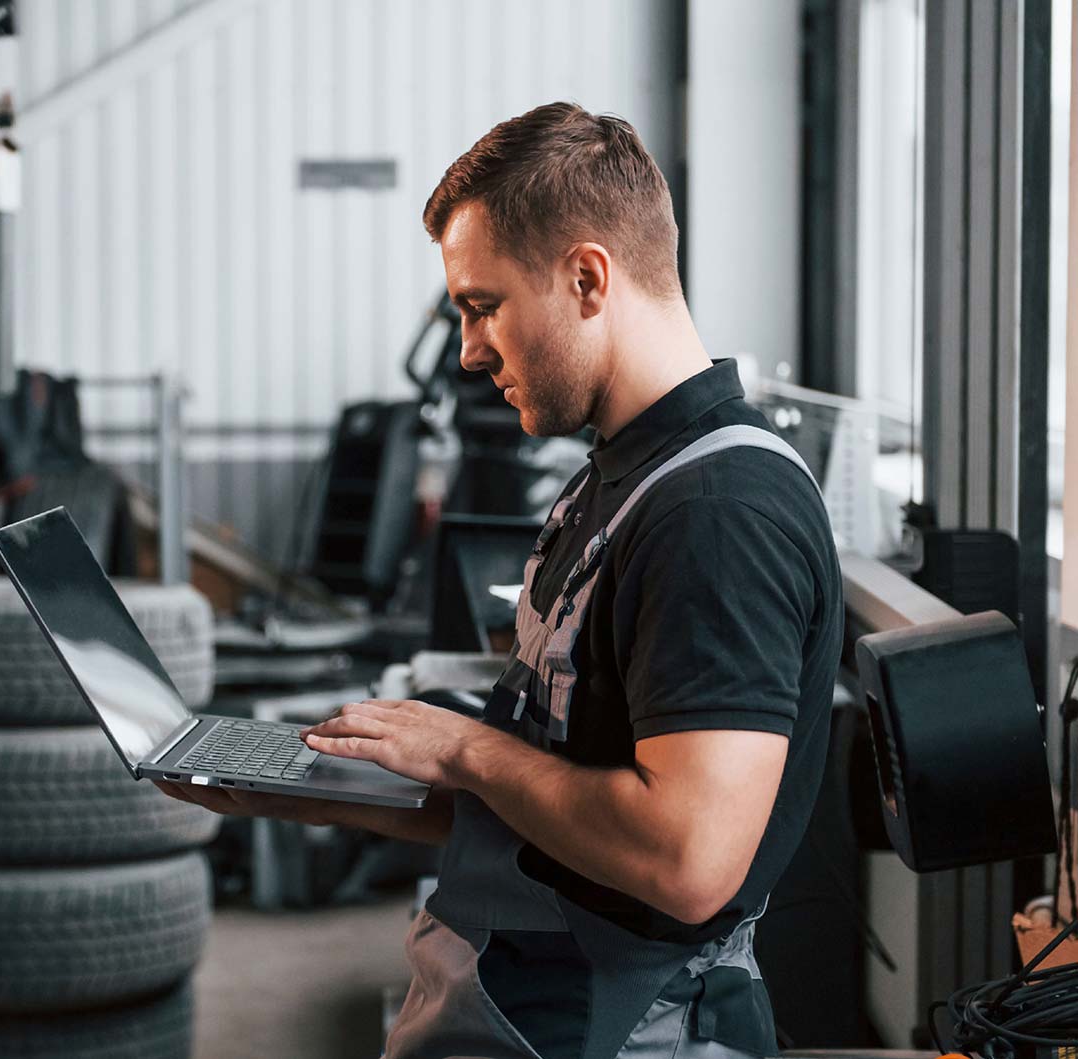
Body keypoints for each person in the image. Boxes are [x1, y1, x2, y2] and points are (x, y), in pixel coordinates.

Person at [157, 102, 843, 1058]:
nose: (472, 350)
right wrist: (296, 788)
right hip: (526, 1002)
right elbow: (541, 793)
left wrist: (463, 747)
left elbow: (687, 859)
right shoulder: (616, 477)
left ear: (587, 278)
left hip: (622, 1030)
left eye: (484, 307)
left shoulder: (719, 511)